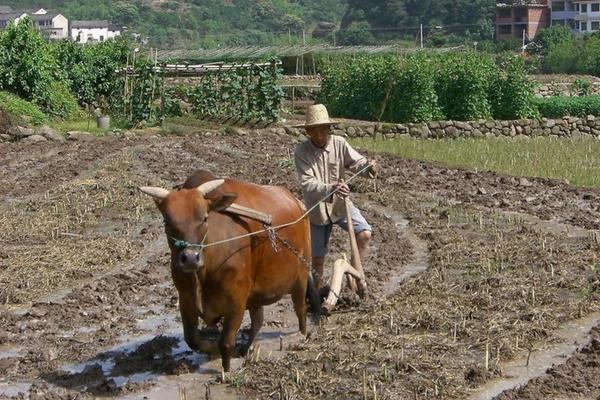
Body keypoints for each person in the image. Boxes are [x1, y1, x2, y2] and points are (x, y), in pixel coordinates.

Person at [293, 104, 377, 291]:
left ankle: (354, 276)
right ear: (307, 132)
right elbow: (308, 184)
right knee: (318, 259)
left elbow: (357, 163)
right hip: (317, 210)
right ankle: (317, 294)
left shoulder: (339, 143)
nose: (319, 136)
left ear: (329, 129)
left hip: (340, 205)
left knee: (364, 234)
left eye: (323, 130)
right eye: (314, 131)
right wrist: (331, 187)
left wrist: (368, 166)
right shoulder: (302, 152)